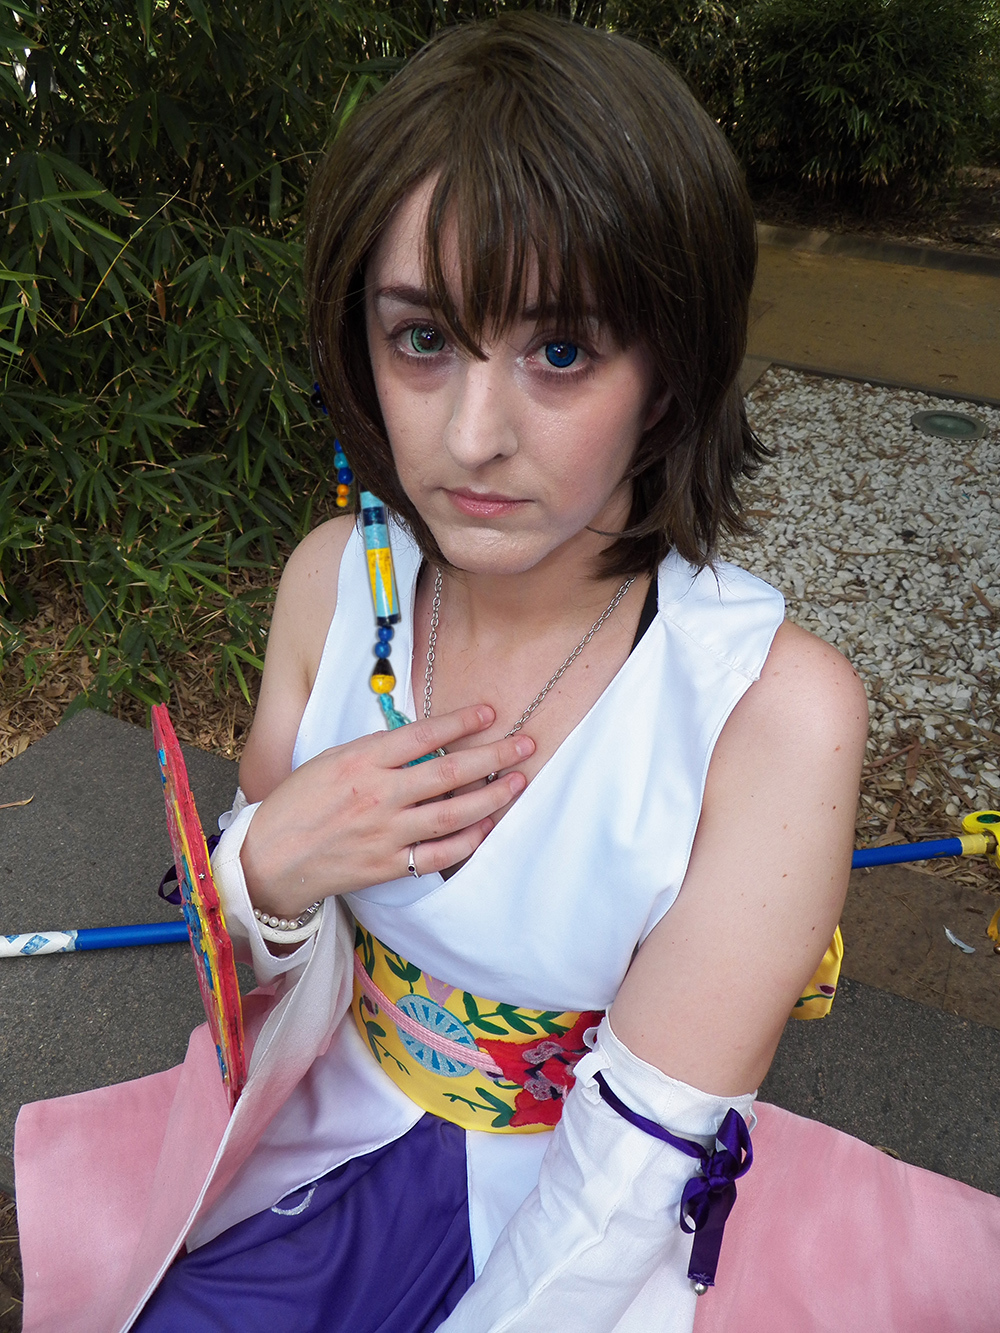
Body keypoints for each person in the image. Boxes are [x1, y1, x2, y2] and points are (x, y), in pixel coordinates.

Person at [14, 14, 1000, 1333]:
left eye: (561, 351)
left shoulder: (769, 712)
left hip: (590, 1227)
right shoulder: (332, 584)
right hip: (319, 1142)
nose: (473, 437)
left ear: (672, 373)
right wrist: (269, 874)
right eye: (423, 339)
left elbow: (632, 1171)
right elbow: (244, 977)